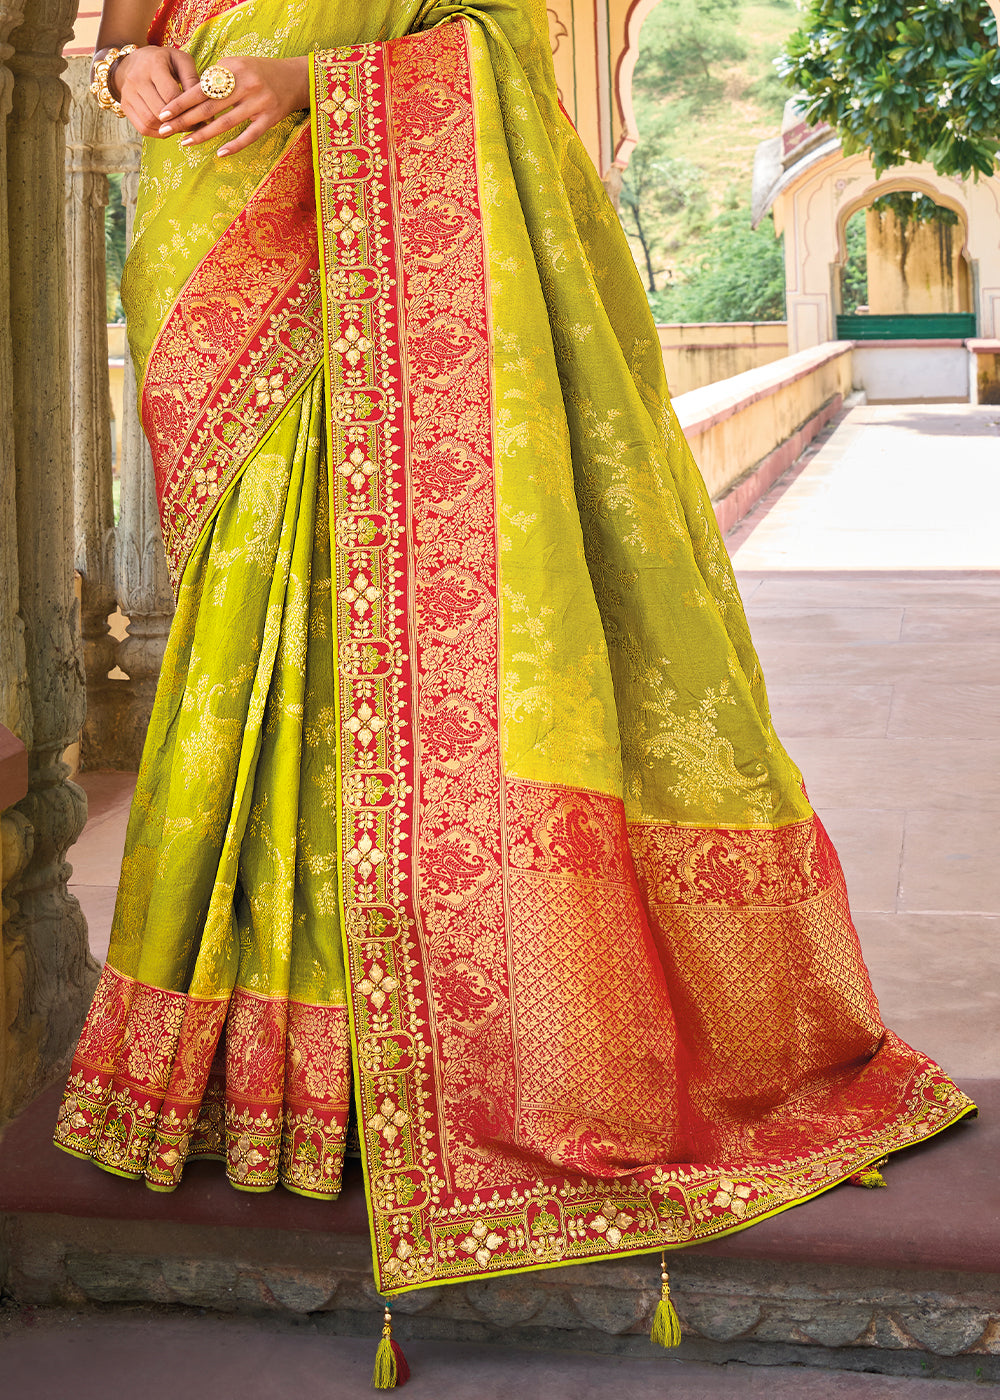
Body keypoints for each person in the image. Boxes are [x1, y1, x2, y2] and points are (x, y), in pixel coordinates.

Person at [57, 0, 973, 1377]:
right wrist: (131, 65)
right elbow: (121, 31)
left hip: (351, 192)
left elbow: (505, 43)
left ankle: (443, 1060)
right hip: (215, 222)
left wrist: (310, 80)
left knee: (399, 642)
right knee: (251, 630)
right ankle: (261, 1068)